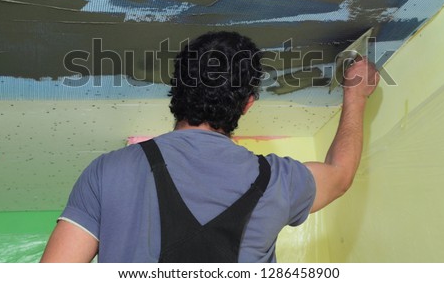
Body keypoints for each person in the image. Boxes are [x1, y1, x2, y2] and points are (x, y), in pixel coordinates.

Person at [41, 31, 379, 263]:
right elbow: (339, 174)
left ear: (175, 89)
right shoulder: (276, 181)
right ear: (247, 104)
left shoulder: (109, 171)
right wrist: (355, 95)